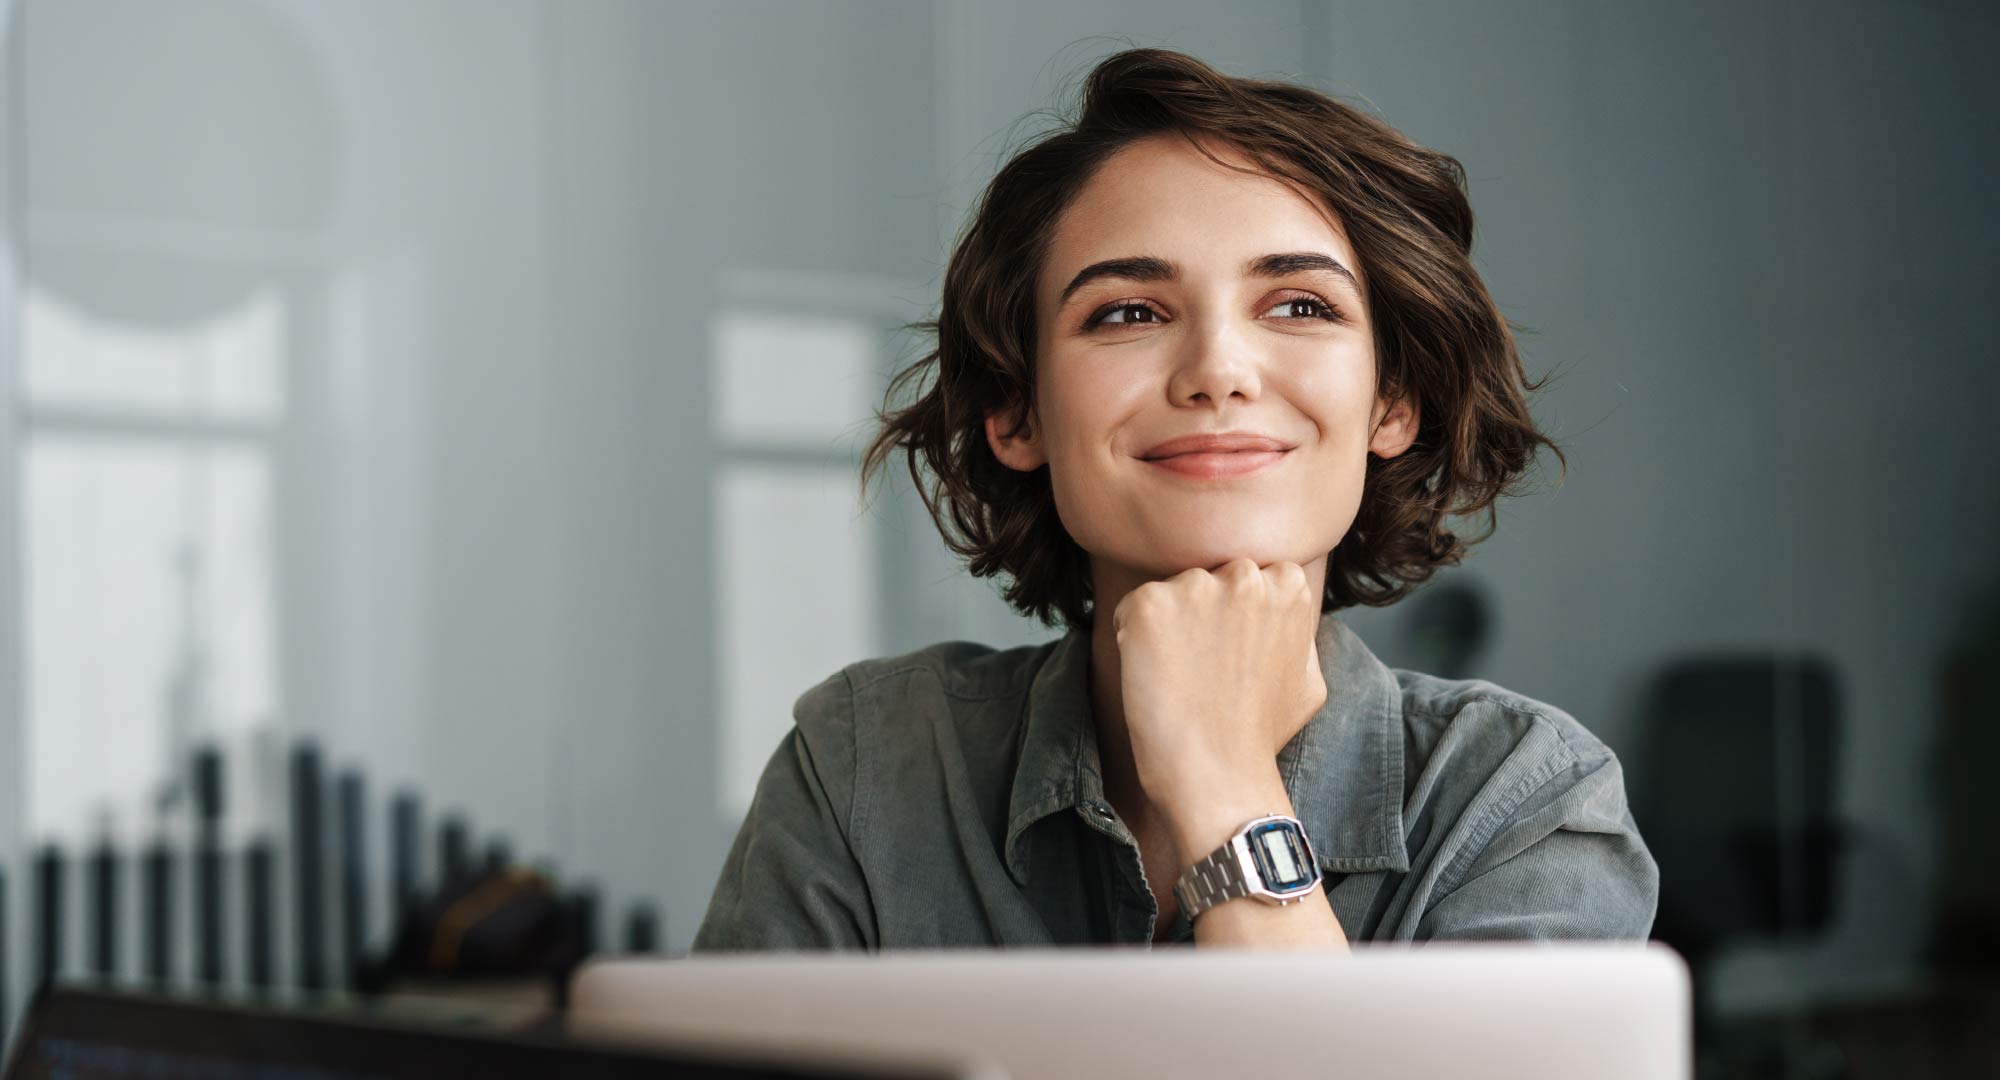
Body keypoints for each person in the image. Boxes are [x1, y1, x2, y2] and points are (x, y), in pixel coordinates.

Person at [692, 46, 1657, 951]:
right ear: (1015, 412)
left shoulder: (1523, 802)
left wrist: (1221, 780)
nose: (1218, 372)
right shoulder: (865, 765)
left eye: (1299, 306)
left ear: (1391, 401)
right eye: (1127, 312)